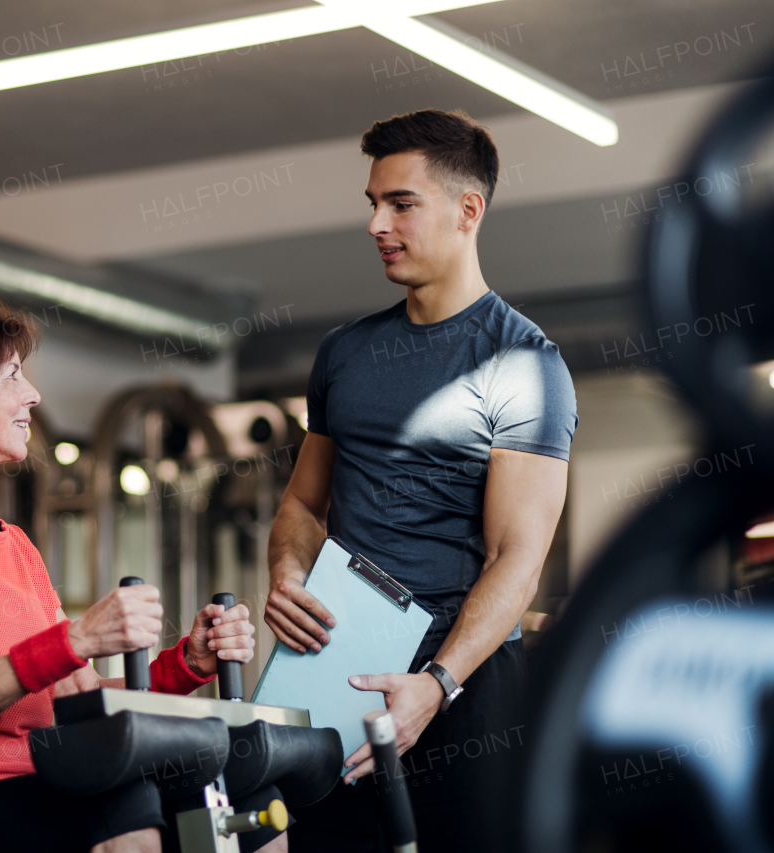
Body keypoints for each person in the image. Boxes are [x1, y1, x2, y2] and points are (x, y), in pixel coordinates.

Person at [0, 295, 272, 853]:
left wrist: (185, 665)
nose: (33, 395)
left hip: (35, 781)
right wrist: (78, 637)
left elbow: (77, 701)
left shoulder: (13, 544)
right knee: (119, 801)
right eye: (13, 376)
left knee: (244, 800)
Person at [264, 109, 577, 852]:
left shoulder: (525, 365)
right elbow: (303, 504)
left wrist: (435, 684)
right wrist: (286, 572)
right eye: (373, 203)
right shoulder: (344, 352)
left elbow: (518, 559)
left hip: (462, 686)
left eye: (401, 203)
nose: (377, 222)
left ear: (469, 210)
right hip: (336, 665)